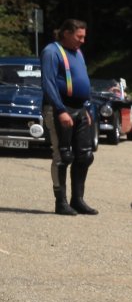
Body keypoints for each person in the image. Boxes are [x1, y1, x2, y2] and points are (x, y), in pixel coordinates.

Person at [40, 19, 96, 215]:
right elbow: (48, 83)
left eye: (84, 37)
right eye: (79, 37)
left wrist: (87, 109)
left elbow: (84, 82)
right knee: (63, 156)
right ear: (66, 33)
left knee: (85, 156)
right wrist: (60, 110)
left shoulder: (78, 52)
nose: (82, 41)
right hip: (60, 108)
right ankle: (61, 202)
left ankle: (77, 200)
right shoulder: (51, 52)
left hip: (80, 109)